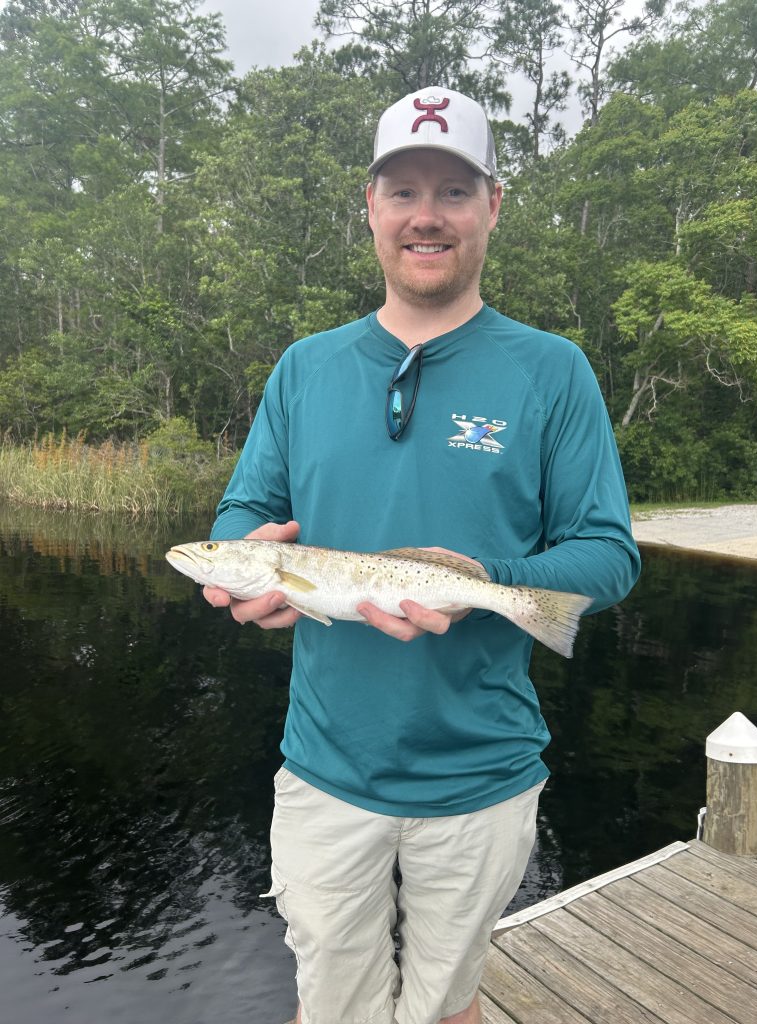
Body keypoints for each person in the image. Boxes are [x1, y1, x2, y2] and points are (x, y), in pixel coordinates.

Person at [205, 86, 641, 1024]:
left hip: (482, 772)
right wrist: (248, 560)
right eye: (403, 190)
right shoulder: (303, 367)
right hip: (326, 770)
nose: (426, 215)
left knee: (449, 1006)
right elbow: (249, 505)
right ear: (370, 208)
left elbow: (607, 555)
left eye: (453, 188)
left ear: (492, 203)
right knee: (333, 1004)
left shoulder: (551, 369)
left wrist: (489, 583)